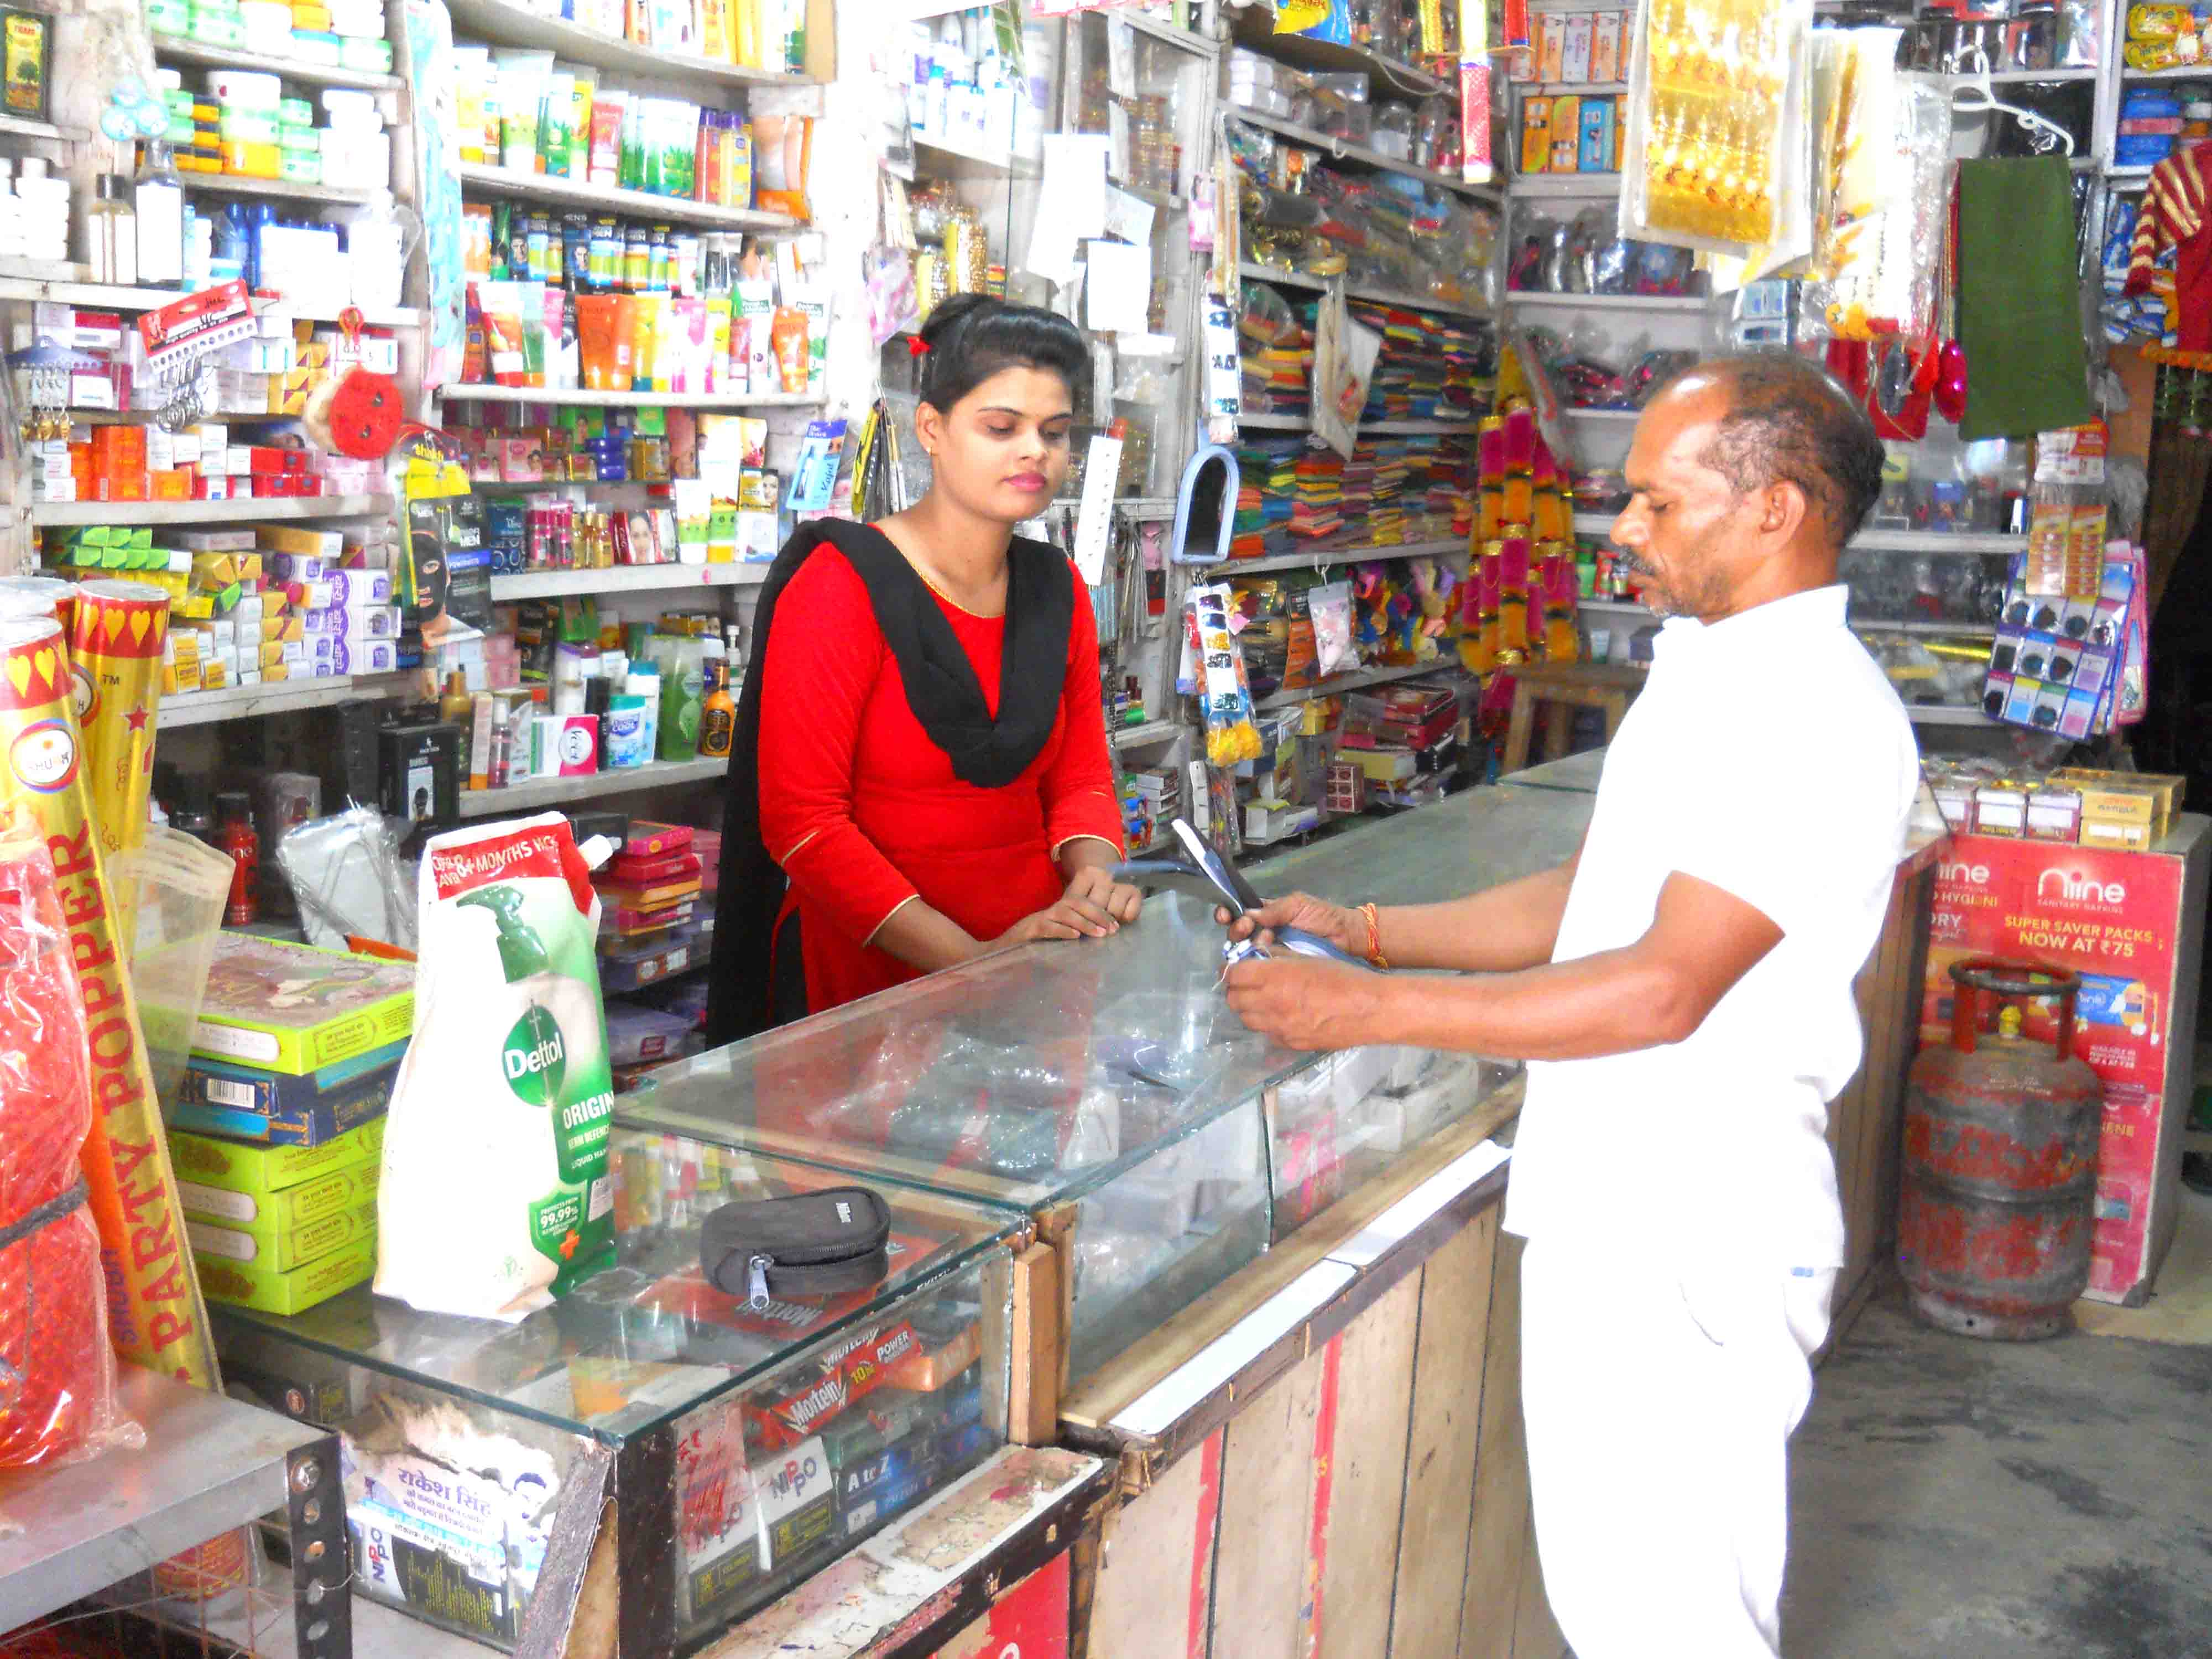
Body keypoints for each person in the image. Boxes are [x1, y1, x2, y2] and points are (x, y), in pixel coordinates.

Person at [1219, 354, 1919, 1658]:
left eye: (1658, 502)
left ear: (1774, 511)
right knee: (1615, 1606)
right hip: (1623, 1205)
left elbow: (1661, 989)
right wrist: (1368, 933)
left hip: (1690, 1228)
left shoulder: (1810, 715)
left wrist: (1368, 1012)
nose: (1623, 528)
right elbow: (1599, 897)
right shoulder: (1712, 671)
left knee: (1668, 1626)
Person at [705, 296, 1140, 1045]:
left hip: (1036, 965)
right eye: (1002, 428)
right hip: (873, 982)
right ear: (932, 430)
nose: (1034, 452)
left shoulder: (1058, 589)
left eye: (1055, 433)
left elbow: (1081, 782)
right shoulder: (842, 586)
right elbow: (804, 826)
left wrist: (1093, 881)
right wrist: (971, 962)